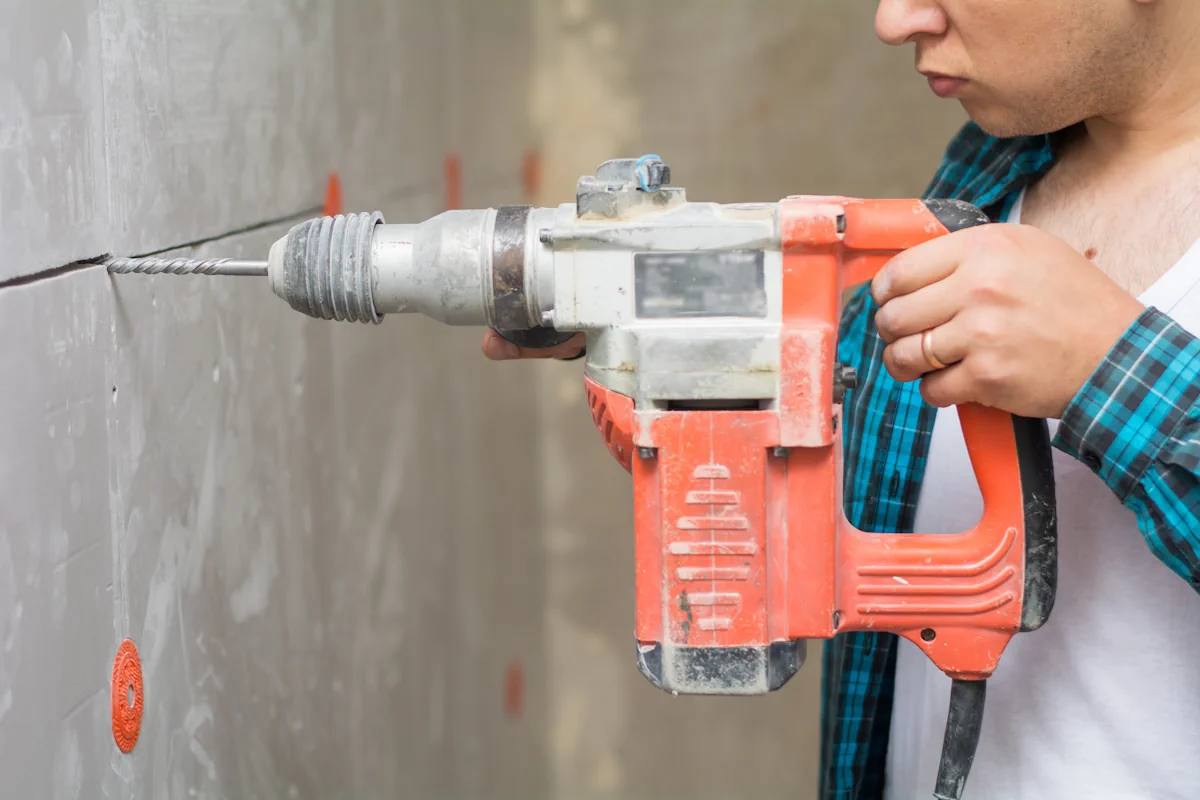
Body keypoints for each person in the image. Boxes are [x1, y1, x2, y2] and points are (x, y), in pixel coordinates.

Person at [483, 0, 1200, 796]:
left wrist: (1112, 365)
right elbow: (851, 436)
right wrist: (685, 345)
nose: (894, 21)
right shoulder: (996, 166)